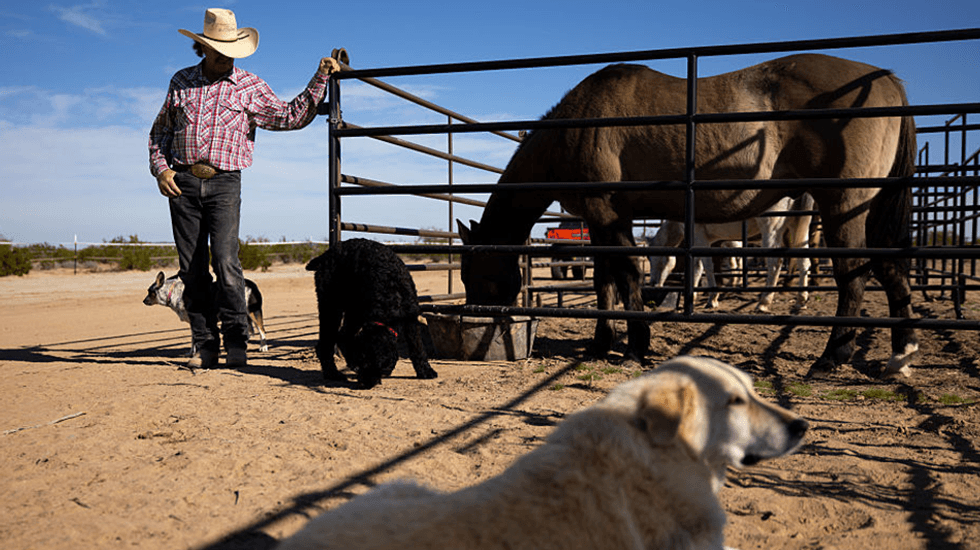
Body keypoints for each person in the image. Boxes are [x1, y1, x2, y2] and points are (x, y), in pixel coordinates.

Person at [149, 8, 340, 368]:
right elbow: (159, 131)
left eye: (230, 51)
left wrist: (320, 78)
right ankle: (204, 346)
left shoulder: (250, 86)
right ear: (202, 48)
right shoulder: (181, 82)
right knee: (191, 269)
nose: (225, 57)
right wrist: (162, 171)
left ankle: (237, 340)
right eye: (218, 49)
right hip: (183, 182)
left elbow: (288, 116)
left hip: (224, 183)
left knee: (225, 260)